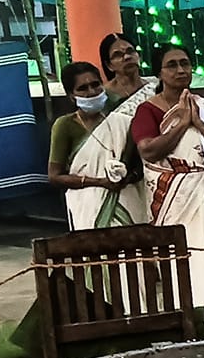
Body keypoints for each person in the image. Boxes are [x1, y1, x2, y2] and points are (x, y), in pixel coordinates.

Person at [133, 44, 204, 321]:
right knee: (188, 261)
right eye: (172, 65)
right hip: (177, 196)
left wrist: (201, 125)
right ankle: (190, 320)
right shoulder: (148, 110)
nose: (181, 70)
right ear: (159, 72)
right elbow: (148, 150)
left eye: (185, 63)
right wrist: (182, 123)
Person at [56, 33, 154, 228]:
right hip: (110, 181)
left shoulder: (155, 88)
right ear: (109, 65)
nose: (126, 57)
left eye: (130, 51)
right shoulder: (103, 98)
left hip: (148, 171)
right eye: (118, 55)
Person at [47, 62, 132, 231]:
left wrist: (123, 178)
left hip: (125, 198)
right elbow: (54, 176)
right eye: (83, 88)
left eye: (95, 85)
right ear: (72, 95)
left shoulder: (120, 122)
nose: (92, 92)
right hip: (87, 203)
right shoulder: (65, 125)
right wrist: (100, 182)